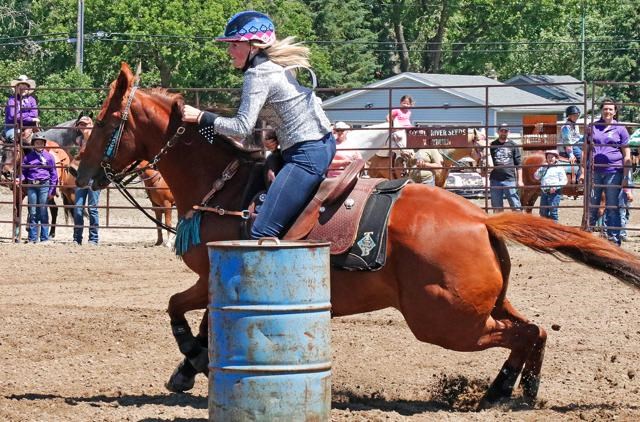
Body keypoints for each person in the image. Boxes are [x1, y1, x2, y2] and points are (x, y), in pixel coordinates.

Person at [181, 11, 335, 239]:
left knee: (260, 232)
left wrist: (202, 117)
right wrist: (280, 132)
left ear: (254, 46)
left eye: (234, 44)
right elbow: (297, 105)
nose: (229, 51)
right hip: (315, 146)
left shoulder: (258, 74)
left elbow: (241, 128)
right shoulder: (276, 67)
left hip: (307, 154)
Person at [579, 98, 631, 245]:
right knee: (592, 205)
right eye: (605, 109)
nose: (607, 111)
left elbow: (626, 153)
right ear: (601, 110)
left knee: (613, 205)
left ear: (615, 112)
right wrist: (582, 171)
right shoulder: (592, 127)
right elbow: (585, 151)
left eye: (610, 109)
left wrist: (626, 176)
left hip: (614, 171)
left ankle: (614, 240)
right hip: (594, 172)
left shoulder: (620, 128)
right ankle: (586, 239)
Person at [21, 134, 57, 243]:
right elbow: (24, 172)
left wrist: (52, 190)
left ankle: (44, 238)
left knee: (43, 210)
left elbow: (54, 174)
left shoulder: (49, 157)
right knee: (32, 210)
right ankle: (32, 238)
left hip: (44, 185)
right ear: (33, 144)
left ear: (44, 144)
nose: (39, 145)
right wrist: (20, 178)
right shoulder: (28, 158)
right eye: (37, 143)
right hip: (32, 185)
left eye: (41, 143)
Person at [73, 116, 101, 245]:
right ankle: (77, 238)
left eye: (85, 124)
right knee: (78, 208)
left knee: (92, 208)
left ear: (91, 124)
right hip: (82, 176)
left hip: (93, 177)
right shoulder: (79, 140)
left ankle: (93, 238)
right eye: (81, 125)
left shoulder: (96, 140)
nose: (83, 127)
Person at [489, 123, 523, 212]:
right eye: (502, 131)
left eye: (506, 131)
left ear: (509, 132)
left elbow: (519, 165)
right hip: (495, 180)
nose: (503, 133)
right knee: (496, 206)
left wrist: (520, 180)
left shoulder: (513, 145)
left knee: (515, 204)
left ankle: (518, 222)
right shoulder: (492, 145)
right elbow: (488, 161)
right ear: (498, 132)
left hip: (510, 179)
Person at [533, 149, 567, 222]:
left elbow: (564, 180)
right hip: (544, 192)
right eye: (548, 157)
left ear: (556, 158)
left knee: (553, 211)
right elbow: (536, 176)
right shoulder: (543, 167)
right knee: (543, 211)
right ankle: (545, 227)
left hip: (554, 193)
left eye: (552, 157)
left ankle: (554, 226)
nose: (550, 159)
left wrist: (556, 187)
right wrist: (541, 169)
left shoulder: (559, 168)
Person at [4, 75, 39, 143]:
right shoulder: (12, 100)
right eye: (21, 86)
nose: (23, 89)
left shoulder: (32, 100)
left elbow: (34, 114)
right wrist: (30, 118)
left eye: (25, 87)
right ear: (17, 88)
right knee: (13, 141)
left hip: (29, 126)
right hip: (13, 127)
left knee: (41, 140)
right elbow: (13, 116)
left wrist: (21, 115)